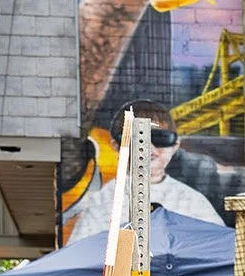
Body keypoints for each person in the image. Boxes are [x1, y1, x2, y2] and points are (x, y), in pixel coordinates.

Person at [64, 101, 227, 240]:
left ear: (175, 145)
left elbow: (218, 249)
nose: (148, 148)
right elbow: (80, 256)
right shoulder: (102, 202)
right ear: (116, 146)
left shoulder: (193, 202)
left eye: (161, 138)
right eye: (136, 138)